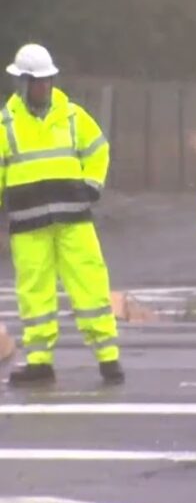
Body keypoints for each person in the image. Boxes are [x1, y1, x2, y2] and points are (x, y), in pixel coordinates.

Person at [1, 43, 124, 387]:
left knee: (90, 284)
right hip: (28, 225)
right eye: (38, 82)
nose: (44, 87)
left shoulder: (72, 115)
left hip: (73, 220)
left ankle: (108, 357)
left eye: (48, 80)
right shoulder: (6, 124)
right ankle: (40, 361)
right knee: (34, 292)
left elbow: (98, 149)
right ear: (22, 83)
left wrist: (93, 184)